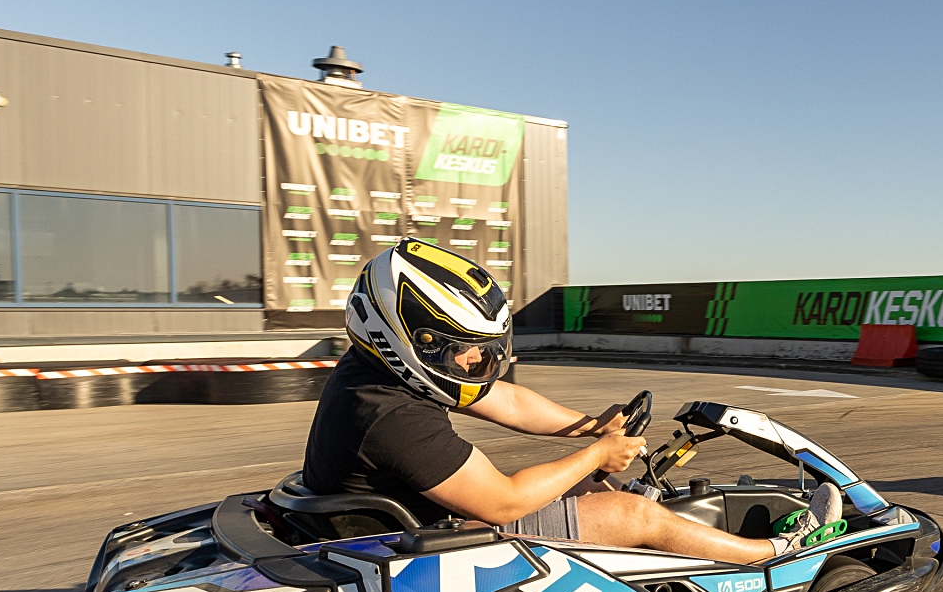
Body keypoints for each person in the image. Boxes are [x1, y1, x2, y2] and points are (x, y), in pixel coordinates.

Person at [302, 239, 842, 563]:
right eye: (462, 349)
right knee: (634, 514)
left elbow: (507, 401)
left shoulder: (377, 372)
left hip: (409, 523)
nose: (474, 361)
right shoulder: (390, 417)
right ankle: (775, 553)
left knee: (588, 484)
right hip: (420, 548)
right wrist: (597, 454)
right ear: (406, 341)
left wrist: (591, 428)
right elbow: (503, 503)